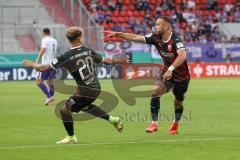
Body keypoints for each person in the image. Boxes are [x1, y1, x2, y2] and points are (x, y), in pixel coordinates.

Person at [23, 26, 129, 144]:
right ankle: (113, 119)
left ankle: (71, 137)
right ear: (80, 39)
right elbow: (107, 60)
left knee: (64, 110)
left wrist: (33, 64)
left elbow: (44, 68)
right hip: (95, 88)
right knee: (83, 106)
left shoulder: (65, 56)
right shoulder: (88, 50)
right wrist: (120, 60)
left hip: (86, 90)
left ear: (69, 40)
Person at [105, 16, 190, 135]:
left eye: (158, 24)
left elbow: (182, 56)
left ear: (166, 27)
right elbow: (135, 37)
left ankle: (176, 123)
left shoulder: (176, 40)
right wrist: (118, 34)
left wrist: (171, 69)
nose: (155, 27)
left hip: (182, 77)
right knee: (156, 92)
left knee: (178, 102)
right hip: (166, 72)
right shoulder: (155, 37)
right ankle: (154, 124)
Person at [35, 28, 57, 105]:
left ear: (43, 33)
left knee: (39, 82)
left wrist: (37, 60)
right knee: (51, 83)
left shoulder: (45, 40)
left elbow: (43, 49)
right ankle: (51, 98)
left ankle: (49, 97)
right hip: (53, 64)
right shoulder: (54, 40)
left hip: (45, 65)